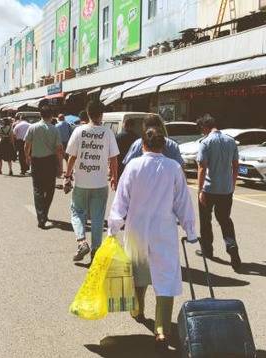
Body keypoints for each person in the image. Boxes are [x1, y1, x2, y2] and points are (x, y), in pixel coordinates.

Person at [108, 126, 197, 351]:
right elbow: (182, 202)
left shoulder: (133, 166)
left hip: (136, 229)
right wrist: (191, 230)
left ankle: (137, 310)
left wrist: (113, 228)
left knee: (138, 271)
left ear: (143, 145)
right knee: (165, 277)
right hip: (163, 231)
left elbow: (121, 199)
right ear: (163, 146)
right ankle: (161, 330)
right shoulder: (174, 167)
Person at [64, 100, 119, 262]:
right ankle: (96, 249)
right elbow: (114, 158)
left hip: (81, 182)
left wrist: (67, 177)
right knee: (98, 217)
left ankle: (81, 241)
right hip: (100, 183)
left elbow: (72, 156)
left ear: (87, 113)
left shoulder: (79, 131)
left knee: (77, 212)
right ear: (101, 115)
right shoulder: (107, 133)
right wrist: (115, 176)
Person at [195, 114, 241, 271]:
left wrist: (199, 190)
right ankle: (232, 246)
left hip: (209, 188)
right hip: (226, 189)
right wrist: (232, 184)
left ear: (204, 128)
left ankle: (208, 249)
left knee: (205, 220)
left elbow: (202, 168)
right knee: (225, 220)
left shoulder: (205, 142)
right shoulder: (231, 141)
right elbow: (235, 165)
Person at [25, 100, 63, 229]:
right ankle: (44, 214)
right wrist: (60, 166)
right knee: (50, 190)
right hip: (50, 162)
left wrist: (27, 157)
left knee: (38, 189)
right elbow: (59, 150)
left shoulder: (33, 127)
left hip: (37, 161)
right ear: (51, 116)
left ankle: (41, 216)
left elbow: (27, 145)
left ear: (40, 115)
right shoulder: (55, 130)